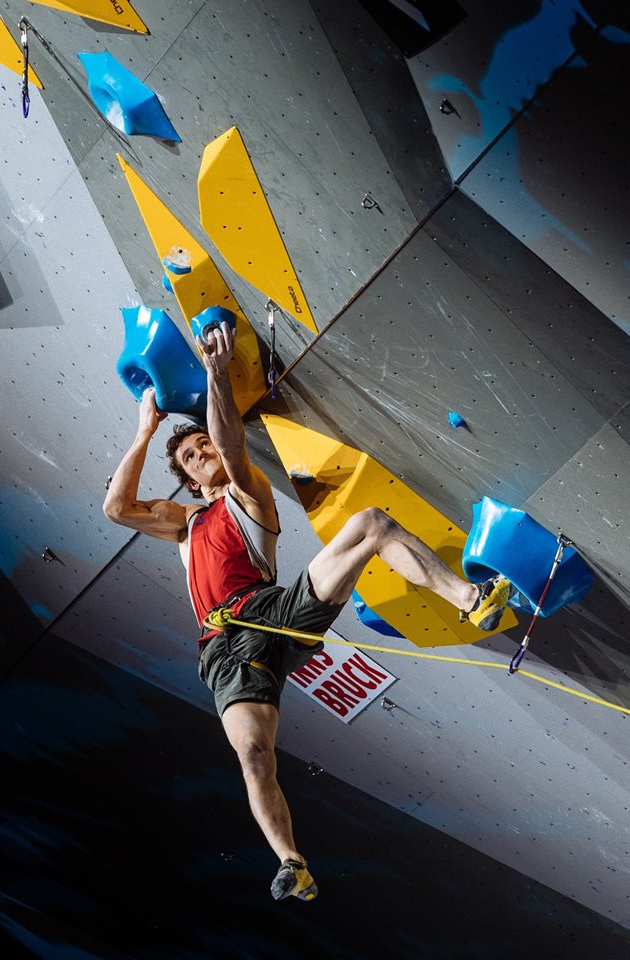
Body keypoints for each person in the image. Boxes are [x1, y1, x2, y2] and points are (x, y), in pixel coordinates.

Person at [103, 317, 512, 902]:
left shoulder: (248, 495)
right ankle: (291, 861)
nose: (201, 456)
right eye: (191, 458)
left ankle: (472, 601)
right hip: (223, 650)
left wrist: (217, 374)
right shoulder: (186, 525)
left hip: (274, 610)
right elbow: (117, 508)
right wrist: (145, 433)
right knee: (251, 751)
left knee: (369, 523)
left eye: (202, 447)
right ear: (188, 484)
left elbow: (231, 442)